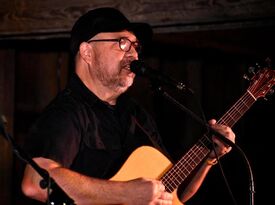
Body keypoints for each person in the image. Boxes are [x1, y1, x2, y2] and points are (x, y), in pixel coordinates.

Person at [21, 7, 235, 205]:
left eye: (136, 46)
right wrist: (126, 192)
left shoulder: (136, 115)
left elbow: (173, 194)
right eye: (122, 43)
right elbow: (34, 183)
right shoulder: (67, 112)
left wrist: (208, 157)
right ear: (87, 52)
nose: (133, 54)